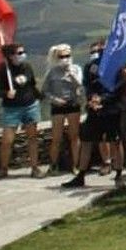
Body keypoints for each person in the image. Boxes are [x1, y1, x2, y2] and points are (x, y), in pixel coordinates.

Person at [62, 44, 126, 188]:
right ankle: (81, 175)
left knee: (115, 141)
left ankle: (119, 174)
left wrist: (103, 99)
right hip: (94, 110)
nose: (98, 54)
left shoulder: (117, 67)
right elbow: (88, 86)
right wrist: (92, 99)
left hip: (112, 110)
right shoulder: (90, 66)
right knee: (86, 141)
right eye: (96, 51)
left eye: (101, 51)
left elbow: (118, 88)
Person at [0, 43, 42, 178]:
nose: (22, 55)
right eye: (19, 53)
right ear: (11, 56)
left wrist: (39, 96)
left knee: (32, 138)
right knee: (7, 141)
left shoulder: (27, 67)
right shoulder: (4, 69)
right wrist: (6, 93)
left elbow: (32, 85)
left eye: (23, 52)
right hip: (11, 109)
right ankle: (3, 168)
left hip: (30, 106)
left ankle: (35, 168)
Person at [42, 43, 83, 175]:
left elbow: (80, 85)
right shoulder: (52, 72)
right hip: (58, 106)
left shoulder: (76, 69)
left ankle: (76, 165)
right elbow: (45, 91)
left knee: (74, 136)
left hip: (73, 104)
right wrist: (55, 100)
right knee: (56, 137)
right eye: (62, 56)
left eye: (67, 56)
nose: (65, 58)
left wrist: (71, 74)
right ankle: (53, 164)